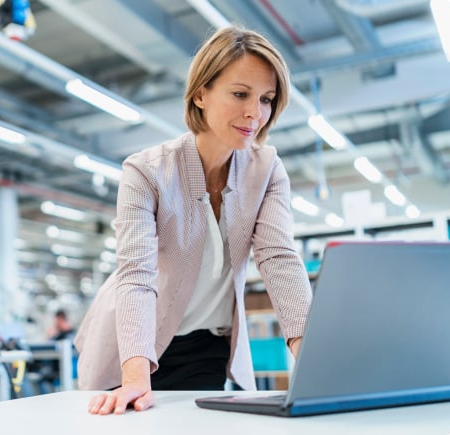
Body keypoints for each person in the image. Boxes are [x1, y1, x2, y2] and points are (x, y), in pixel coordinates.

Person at [74, 25, 313, 415]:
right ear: (200, 93)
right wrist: (135, 376)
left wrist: (311, 360)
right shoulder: (146, 172)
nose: (256, 112)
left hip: (205, 345)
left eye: (267, 99)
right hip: (132, 347)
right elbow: (136, 274)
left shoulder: (266, 169)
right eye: (240, 94)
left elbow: (280, 260)